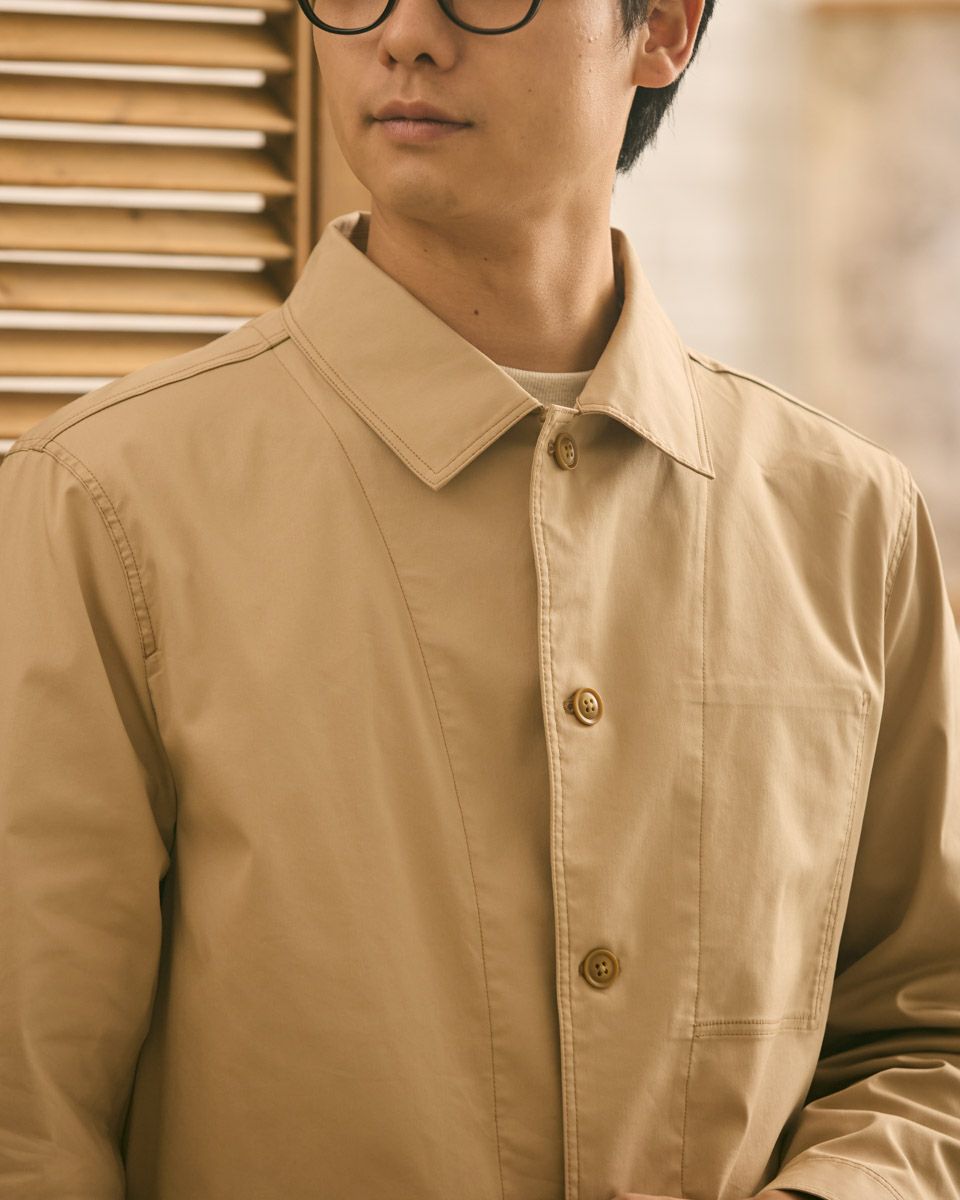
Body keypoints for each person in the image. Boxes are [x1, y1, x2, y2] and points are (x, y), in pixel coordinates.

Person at [1, 0, 958, 1197]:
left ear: (663, 25)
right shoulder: (99, 507)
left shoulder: (851, 523)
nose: (404, 33)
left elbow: (928, 1034)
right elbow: (27, 1122)